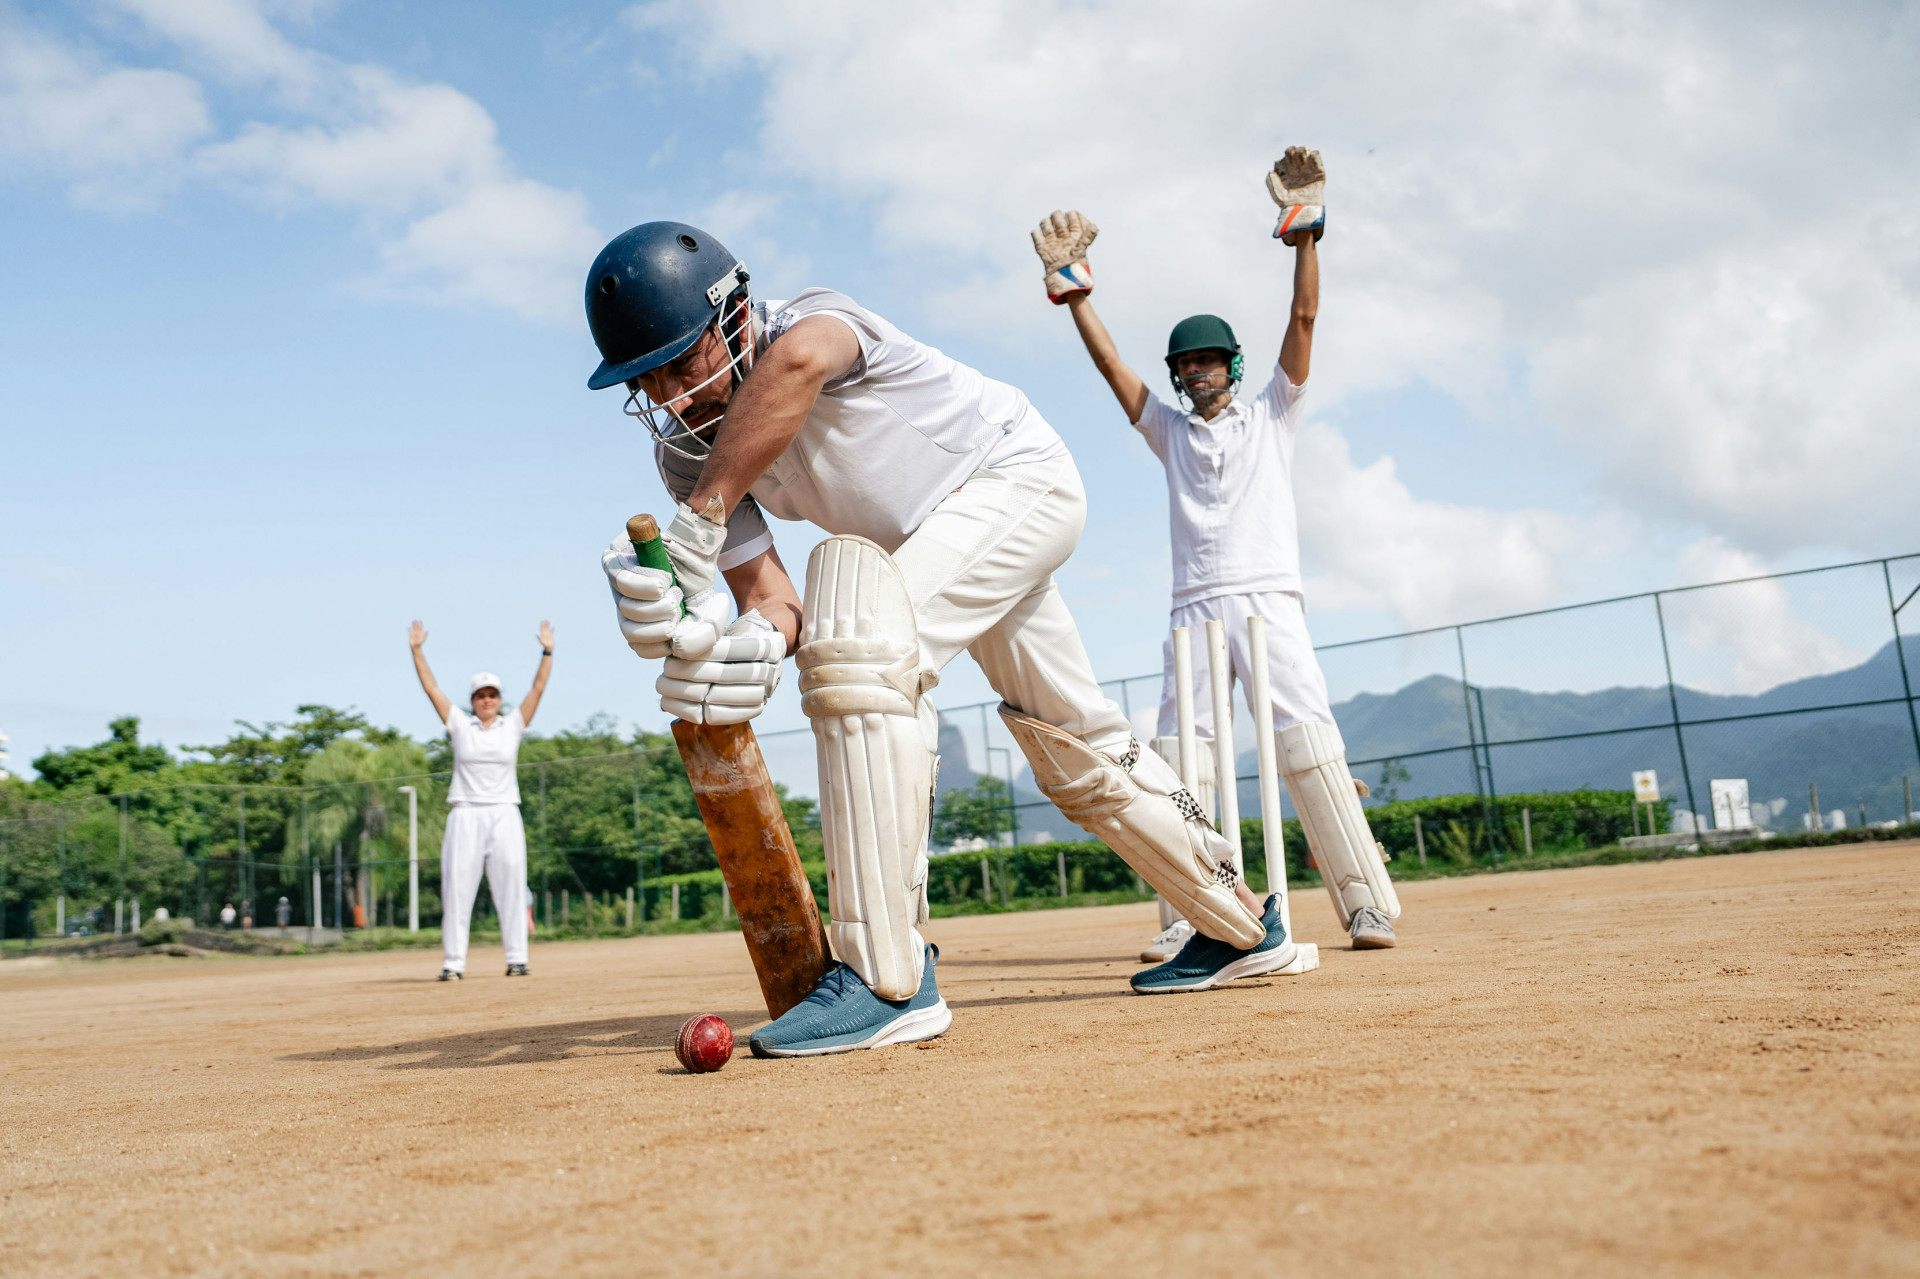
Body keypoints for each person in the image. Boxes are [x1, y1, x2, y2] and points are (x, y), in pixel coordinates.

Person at [587, 221, 1299, 1061]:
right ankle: (1239, 921)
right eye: (649, 381)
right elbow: (775, 599)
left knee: (862, 646)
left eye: (683, 364)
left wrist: (701, 521)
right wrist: (752, 643)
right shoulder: (686, 457)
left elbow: (800, 365)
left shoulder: (807, 322)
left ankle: (885, 976)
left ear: (733, 313)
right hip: (941, 550)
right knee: (1074, 738)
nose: (675, 398)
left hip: (1016, 482)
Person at [1038, 145, 1401, 958]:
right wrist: (1076, 292)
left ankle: (1364, 904)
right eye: (1185, 363)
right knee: (1182, 765)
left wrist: (1304, 232)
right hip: (1192, 610)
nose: (1195, 370)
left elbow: (1303, 321)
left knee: (1307, 745)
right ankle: (1189, 917)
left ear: (1231, 365)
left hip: (1269, 599)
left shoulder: (1273, 413)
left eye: (1206, 359)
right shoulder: (1168, 431)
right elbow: (1110, 366)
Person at [408, 619, 553, 980]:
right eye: (480, 695)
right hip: (466, 812)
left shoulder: (513, 724)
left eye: (492, 695)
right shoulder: (460, 724)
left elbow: (538, 688)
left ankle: (517, 958)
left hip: (504, 812)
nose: (487, 700)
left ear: (499, 700)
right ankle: (453, 963)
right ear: (473, 701)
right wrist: (417, 650)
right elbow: (431, 688)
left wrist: (547, 652)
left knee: (512, 887)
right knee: (457, 889)